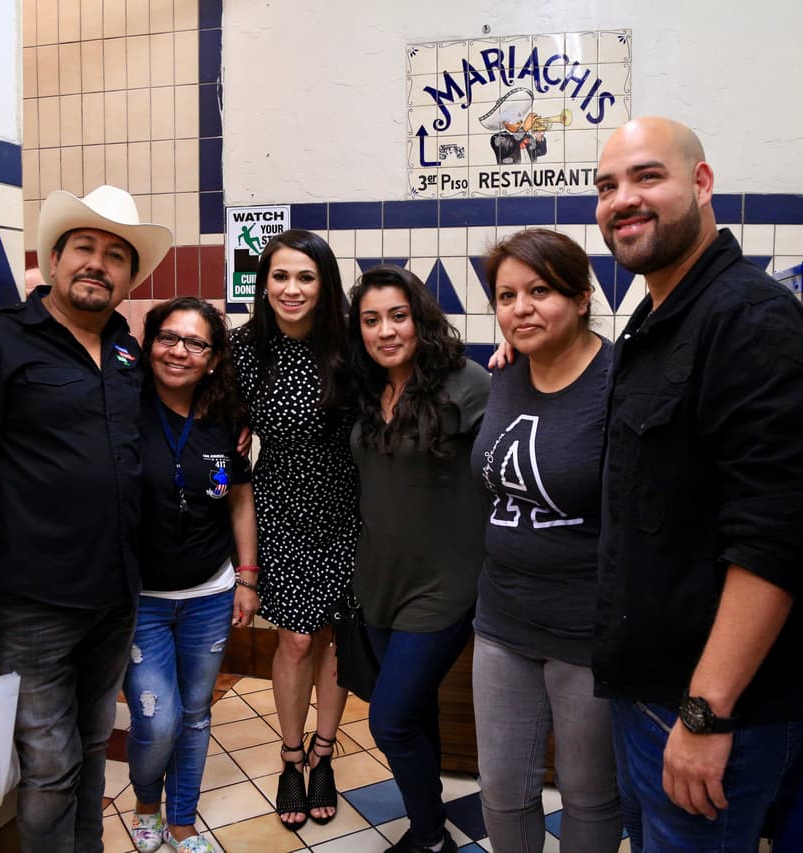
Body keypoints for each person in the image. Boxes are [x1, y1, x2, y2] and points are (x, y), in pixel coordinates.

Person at [592, 116, 803, 851]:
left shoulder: (751, 320)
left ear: (701, 183)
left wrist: (705, 713)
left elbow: (778, 537)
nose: (622, 200)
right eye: (607, 186)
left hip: (711, 712)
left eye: (646, 177)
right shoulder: (660, 315)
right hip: (649, 697)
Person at [0, 185, 173, 851]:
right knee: (51, 765)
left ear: (128, 279)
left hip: (114, 595)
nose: (98, 263)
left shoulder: (124, 351)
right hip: (31, 600)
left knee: (92, 750)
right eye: (84, 248)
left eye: (115, 256)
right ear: (53, 260)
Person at [471, 228, 623, 852]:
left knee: (589, 796)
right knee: (501, 792)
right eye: (506, 296)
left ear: (582, 297)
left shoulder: (619, 380)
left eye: (539, 291)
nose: (520, 308)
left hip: (585, 630)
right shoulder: (506, 371)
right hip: (501, 617)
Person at [347, 265, 490, 853]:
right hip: (379, 581)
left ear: (421, 319)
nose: (385, 331)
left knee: (390, 720)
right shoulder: (364, 388)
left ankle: (431, 838)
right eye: (371, 320)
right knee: (417, 713)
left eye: (398, 316)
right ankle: (426, 820)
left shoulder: (467, 383)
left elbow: (510, 463)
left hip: (445, 585)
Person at [229, 229, 360, 830]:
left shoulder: (351, 346)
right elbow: (214, 429)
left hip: (349, 508)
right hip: (279, 504)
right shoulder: (244, 350)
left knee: (336, 637)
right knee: (297, 640)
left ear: (324, 284)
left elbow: (426, 365)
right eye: (279, 276)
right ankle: (289, 756)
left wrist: (511, 357)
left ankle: (325, 753)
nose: (291, 288)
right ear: (264, 285)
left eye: (305, 277)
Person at [124, 297, 259, 853]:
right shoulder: (122, 408)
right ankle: (145, 803)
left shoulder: (226, 419)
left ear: (212, 358)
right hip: (140, 600)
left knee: (197, 714)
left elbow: (240, 502)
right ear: (148, 344)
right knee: (157, 720)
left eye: (195, 343)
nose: (179, 351)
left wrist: (247, 578)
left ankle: (181, 822)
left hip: (209, 593)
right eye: (168, 338)